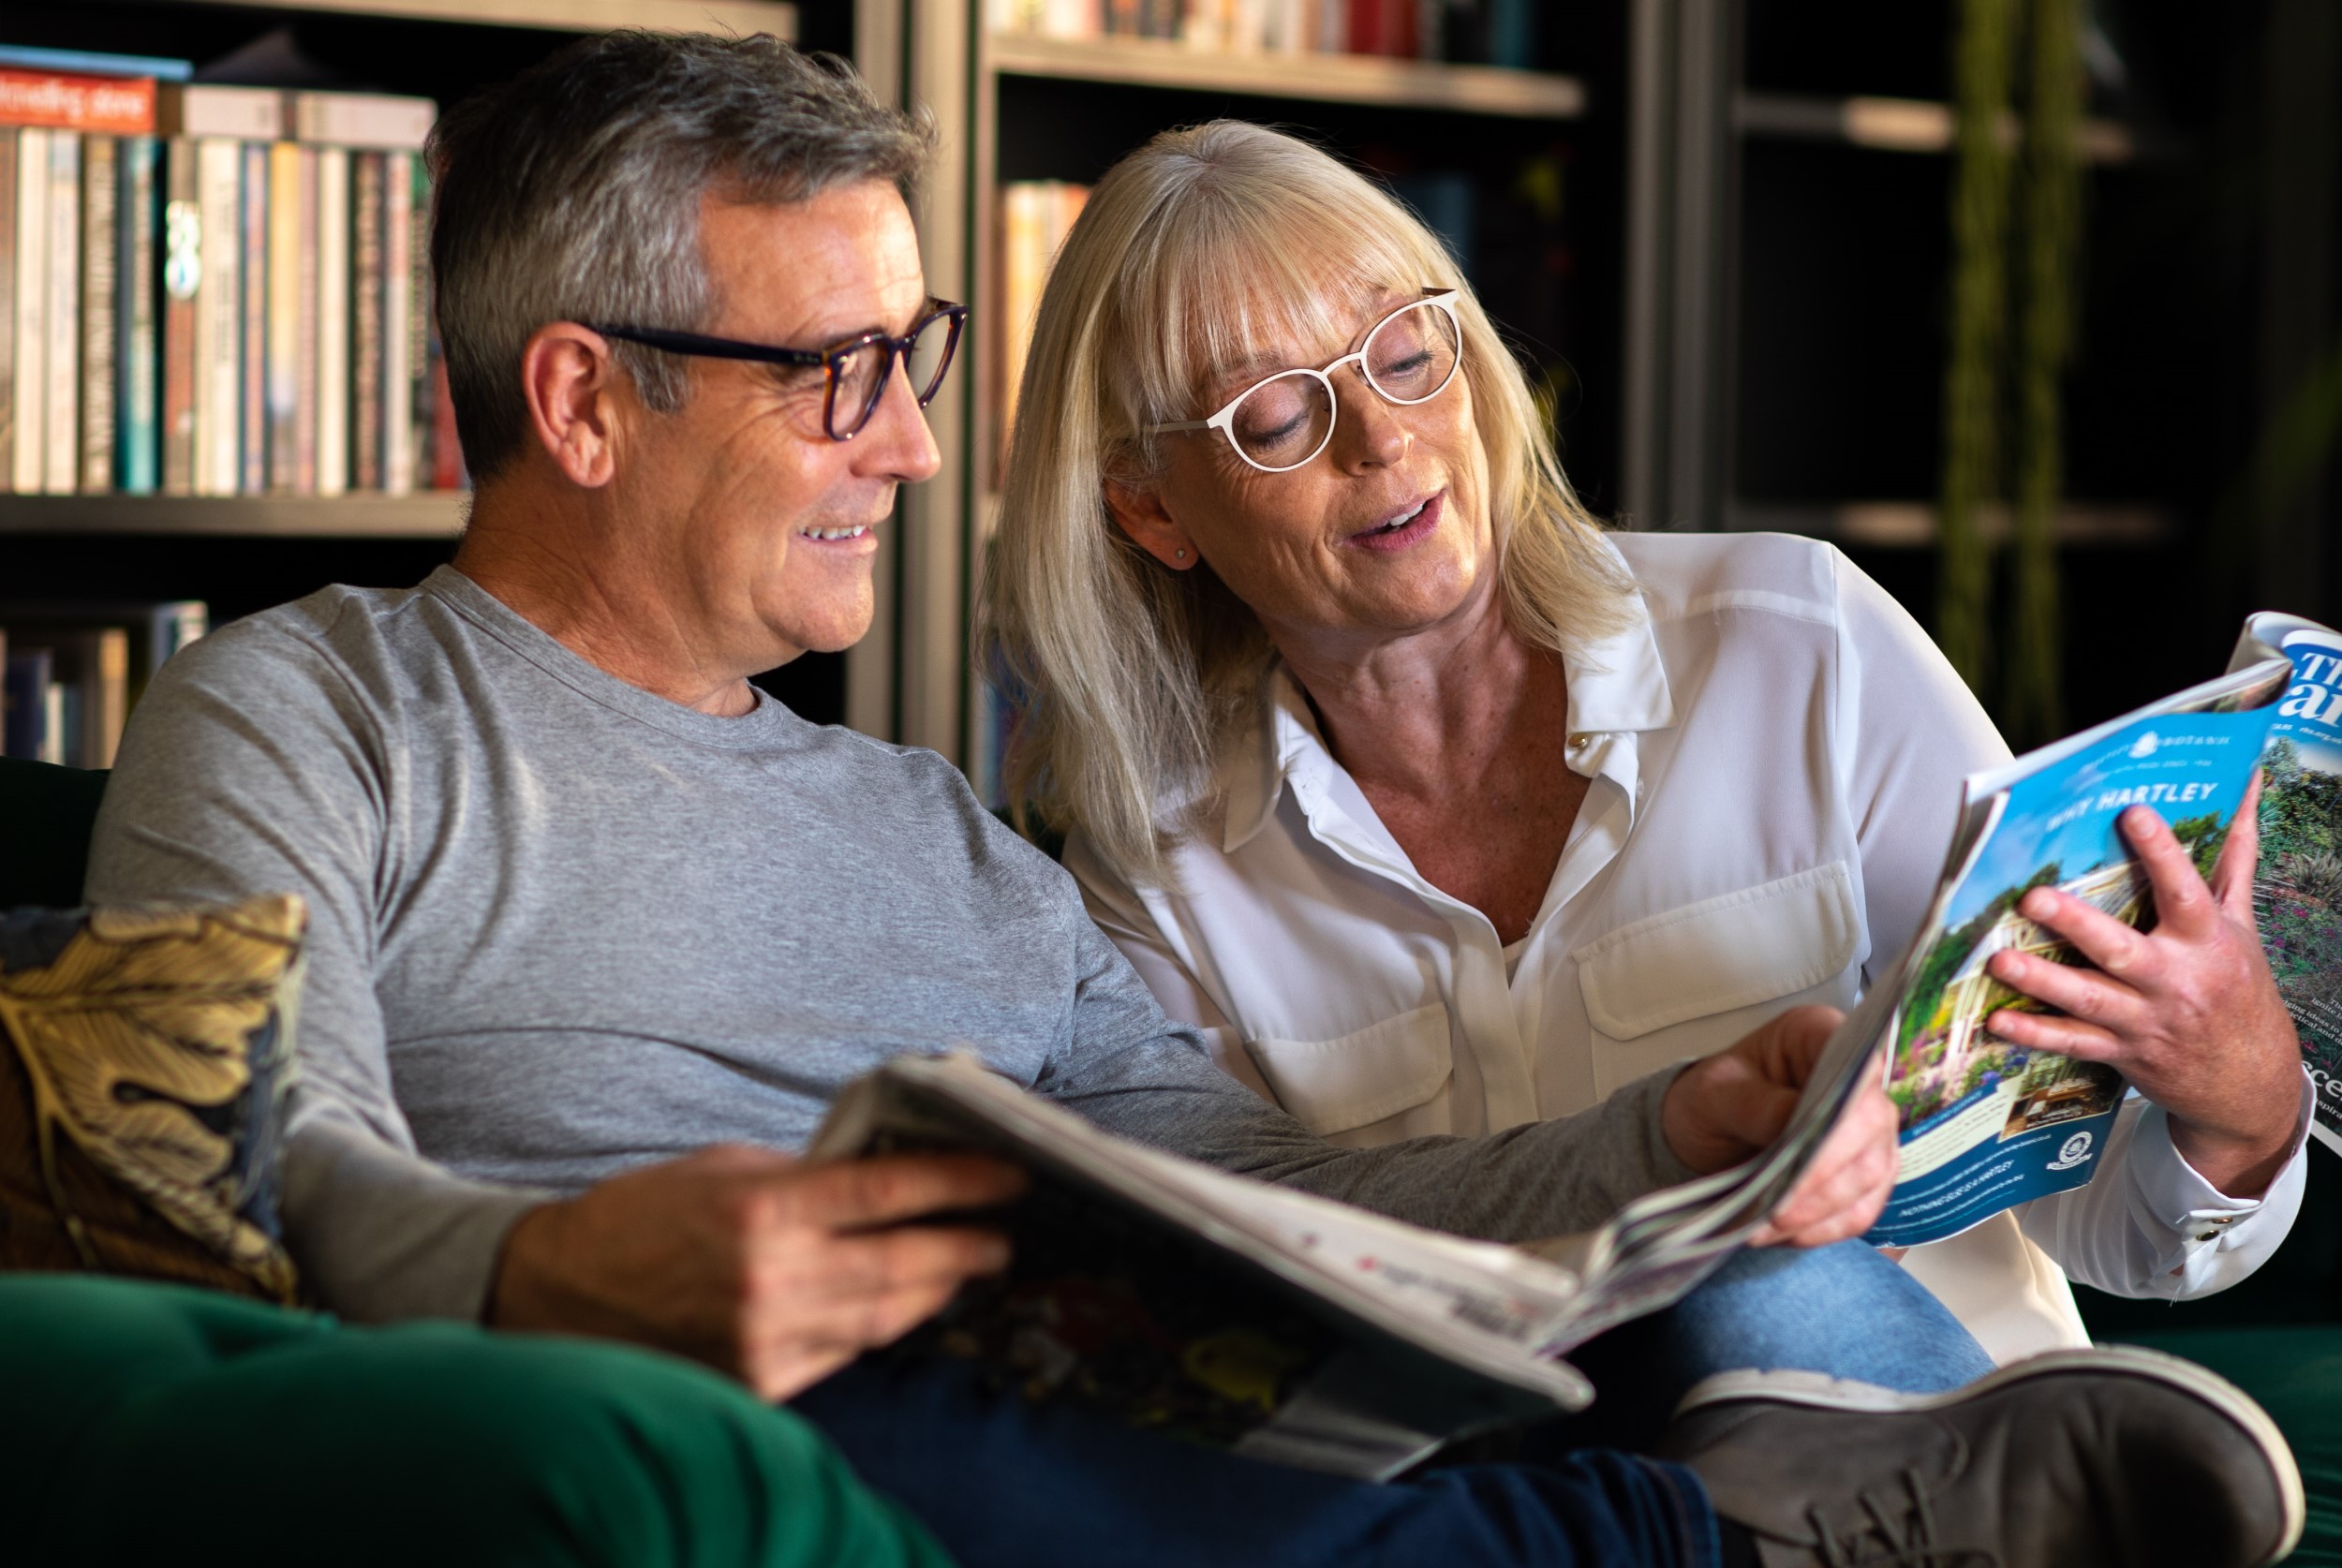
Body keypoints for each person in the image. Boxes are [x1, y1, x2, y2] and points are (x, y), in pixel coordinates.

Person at [84, 31, 2299, 1568]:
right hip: (652, 1422)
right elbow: (230, 1175)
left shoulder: (949, 834)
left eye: (917, 362)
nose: (917, 453)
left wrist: (1664, 1139)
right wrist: (564, 1273)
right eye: (841, 377)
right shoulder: (309, 718)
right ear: (582, 398)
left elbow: (1271, 1191)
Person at [981, 119, 2316, 1368]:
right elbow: (1238, 1291)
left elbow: (2112, 1223)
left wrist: (2241, 1101)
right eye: (1275, 416)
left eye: (1405, 353)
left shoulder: (1805, 646)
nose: (1384, 439)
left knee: (1776, 1295)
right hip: (1529, 1505)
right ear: (1152, 509)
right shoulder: (1159, 865)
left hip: (1934, 1469)